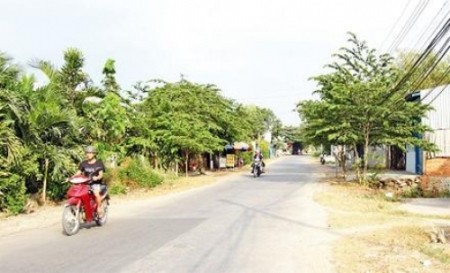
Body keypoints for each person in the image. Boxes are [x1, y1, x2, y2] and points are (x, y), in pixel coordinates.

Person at [75, 145, 106, 218]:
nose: (88, 154)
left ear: (94, 154)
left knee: (96, 193)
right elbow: (78, 173)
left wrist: (97, 177)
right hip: (85, 183)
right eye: (87, 153)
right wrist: (71, 178)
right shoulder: (83, 163)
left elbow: (101, 174)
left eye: (90, 153)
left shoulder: (99, 163)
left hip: (96, 183)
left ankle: (99, 207)